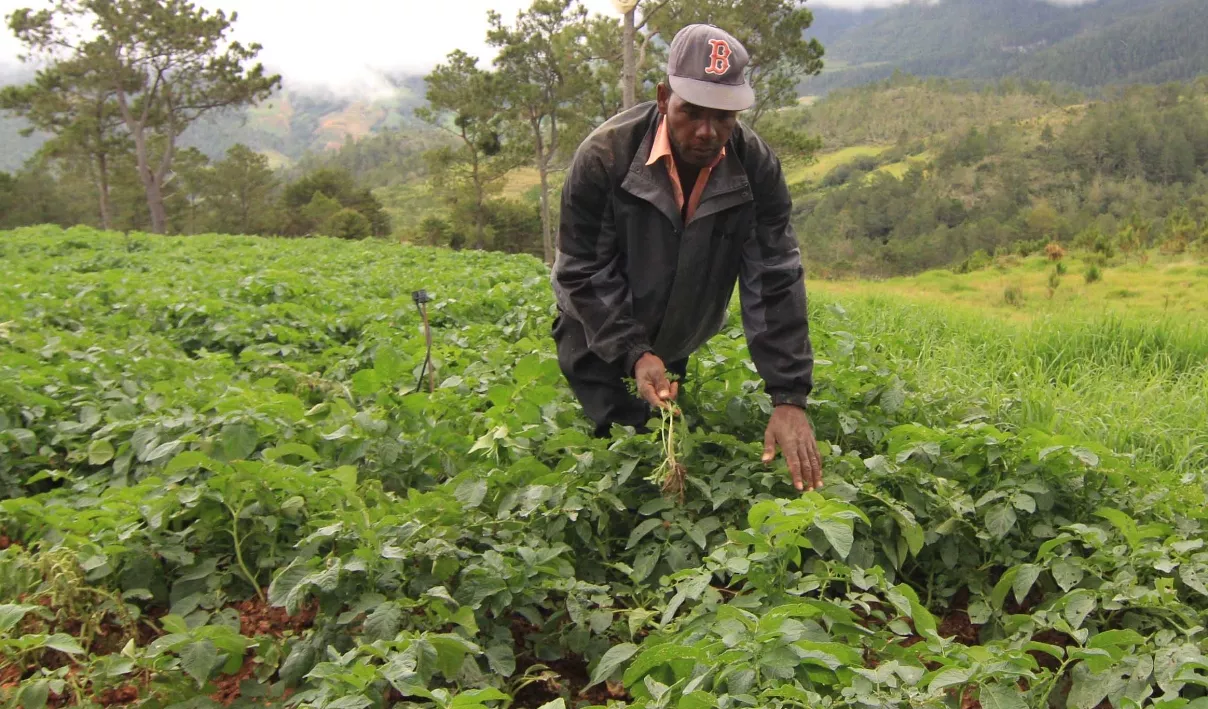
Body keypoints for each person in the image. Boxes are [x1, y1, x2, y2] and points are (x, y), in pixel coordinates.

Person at [549, 23, 822, 493]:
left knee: (666, 449)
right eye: (691, 112)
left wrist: (789, 396)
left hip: (677, 337)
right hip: (596, 334)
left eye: (723, 117)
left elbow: (774, 278)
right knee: (617, 460)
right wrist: (634, 352)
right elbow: (583, 270)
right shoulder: (604, 157)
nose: (705, 131)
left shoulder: (756, 169)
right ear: (662, 97)